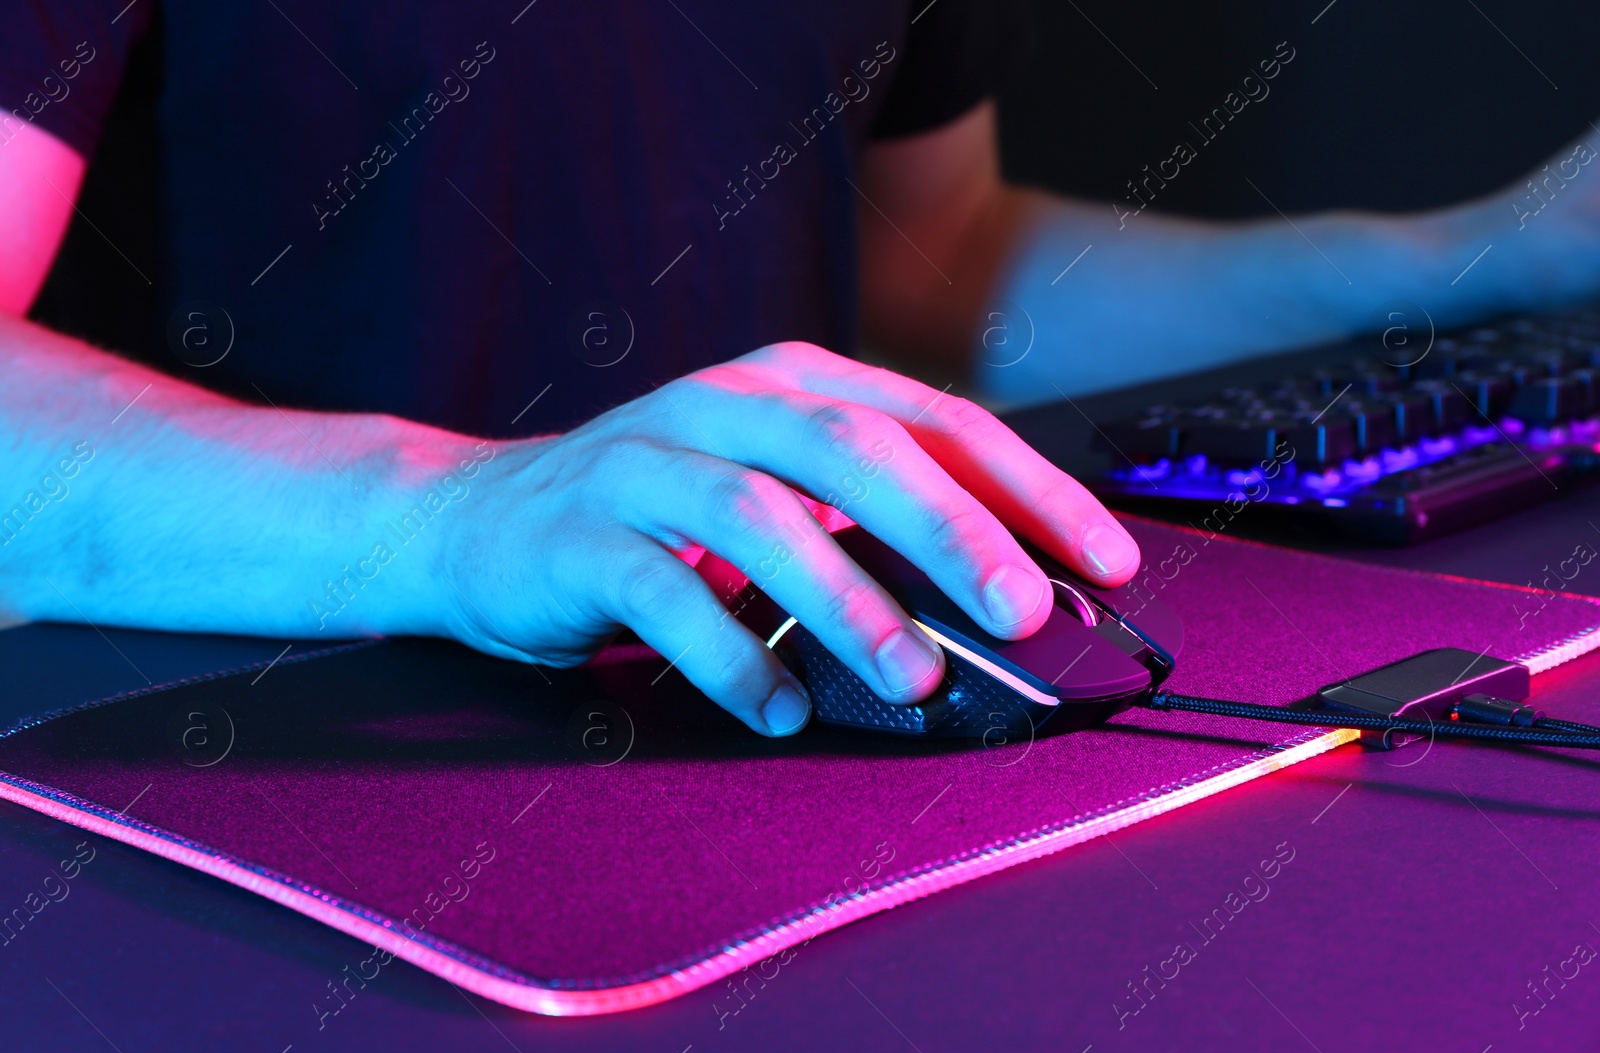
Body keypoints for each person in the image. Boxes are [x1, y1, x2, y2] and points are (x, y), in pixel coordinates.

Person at [1, 2, 1596, 738]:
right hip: (239, 774)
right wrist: (451, 515)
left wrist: (1479, 255)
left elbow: (935, 271)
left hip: (753, 742)